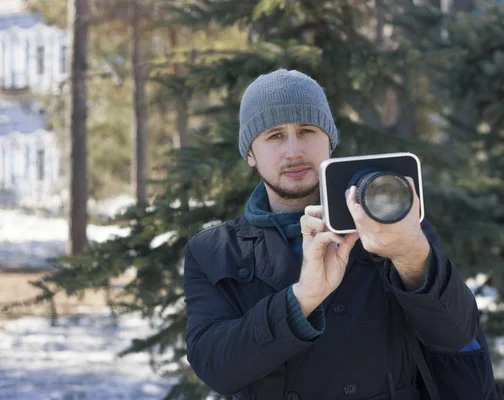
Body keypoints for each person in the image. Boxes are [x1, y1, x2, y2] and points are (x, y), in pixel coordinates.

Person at [183, 69, 481, 400]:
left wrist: (410, 255)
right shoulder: (213, 251)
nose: (293, 151)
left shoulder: (394, 221)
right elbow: (215, 369)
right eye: (275, 135)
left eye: (307, 130)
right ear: (250, 153)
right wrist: (301, 300)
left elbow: (456, 334)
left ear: (330, 141)